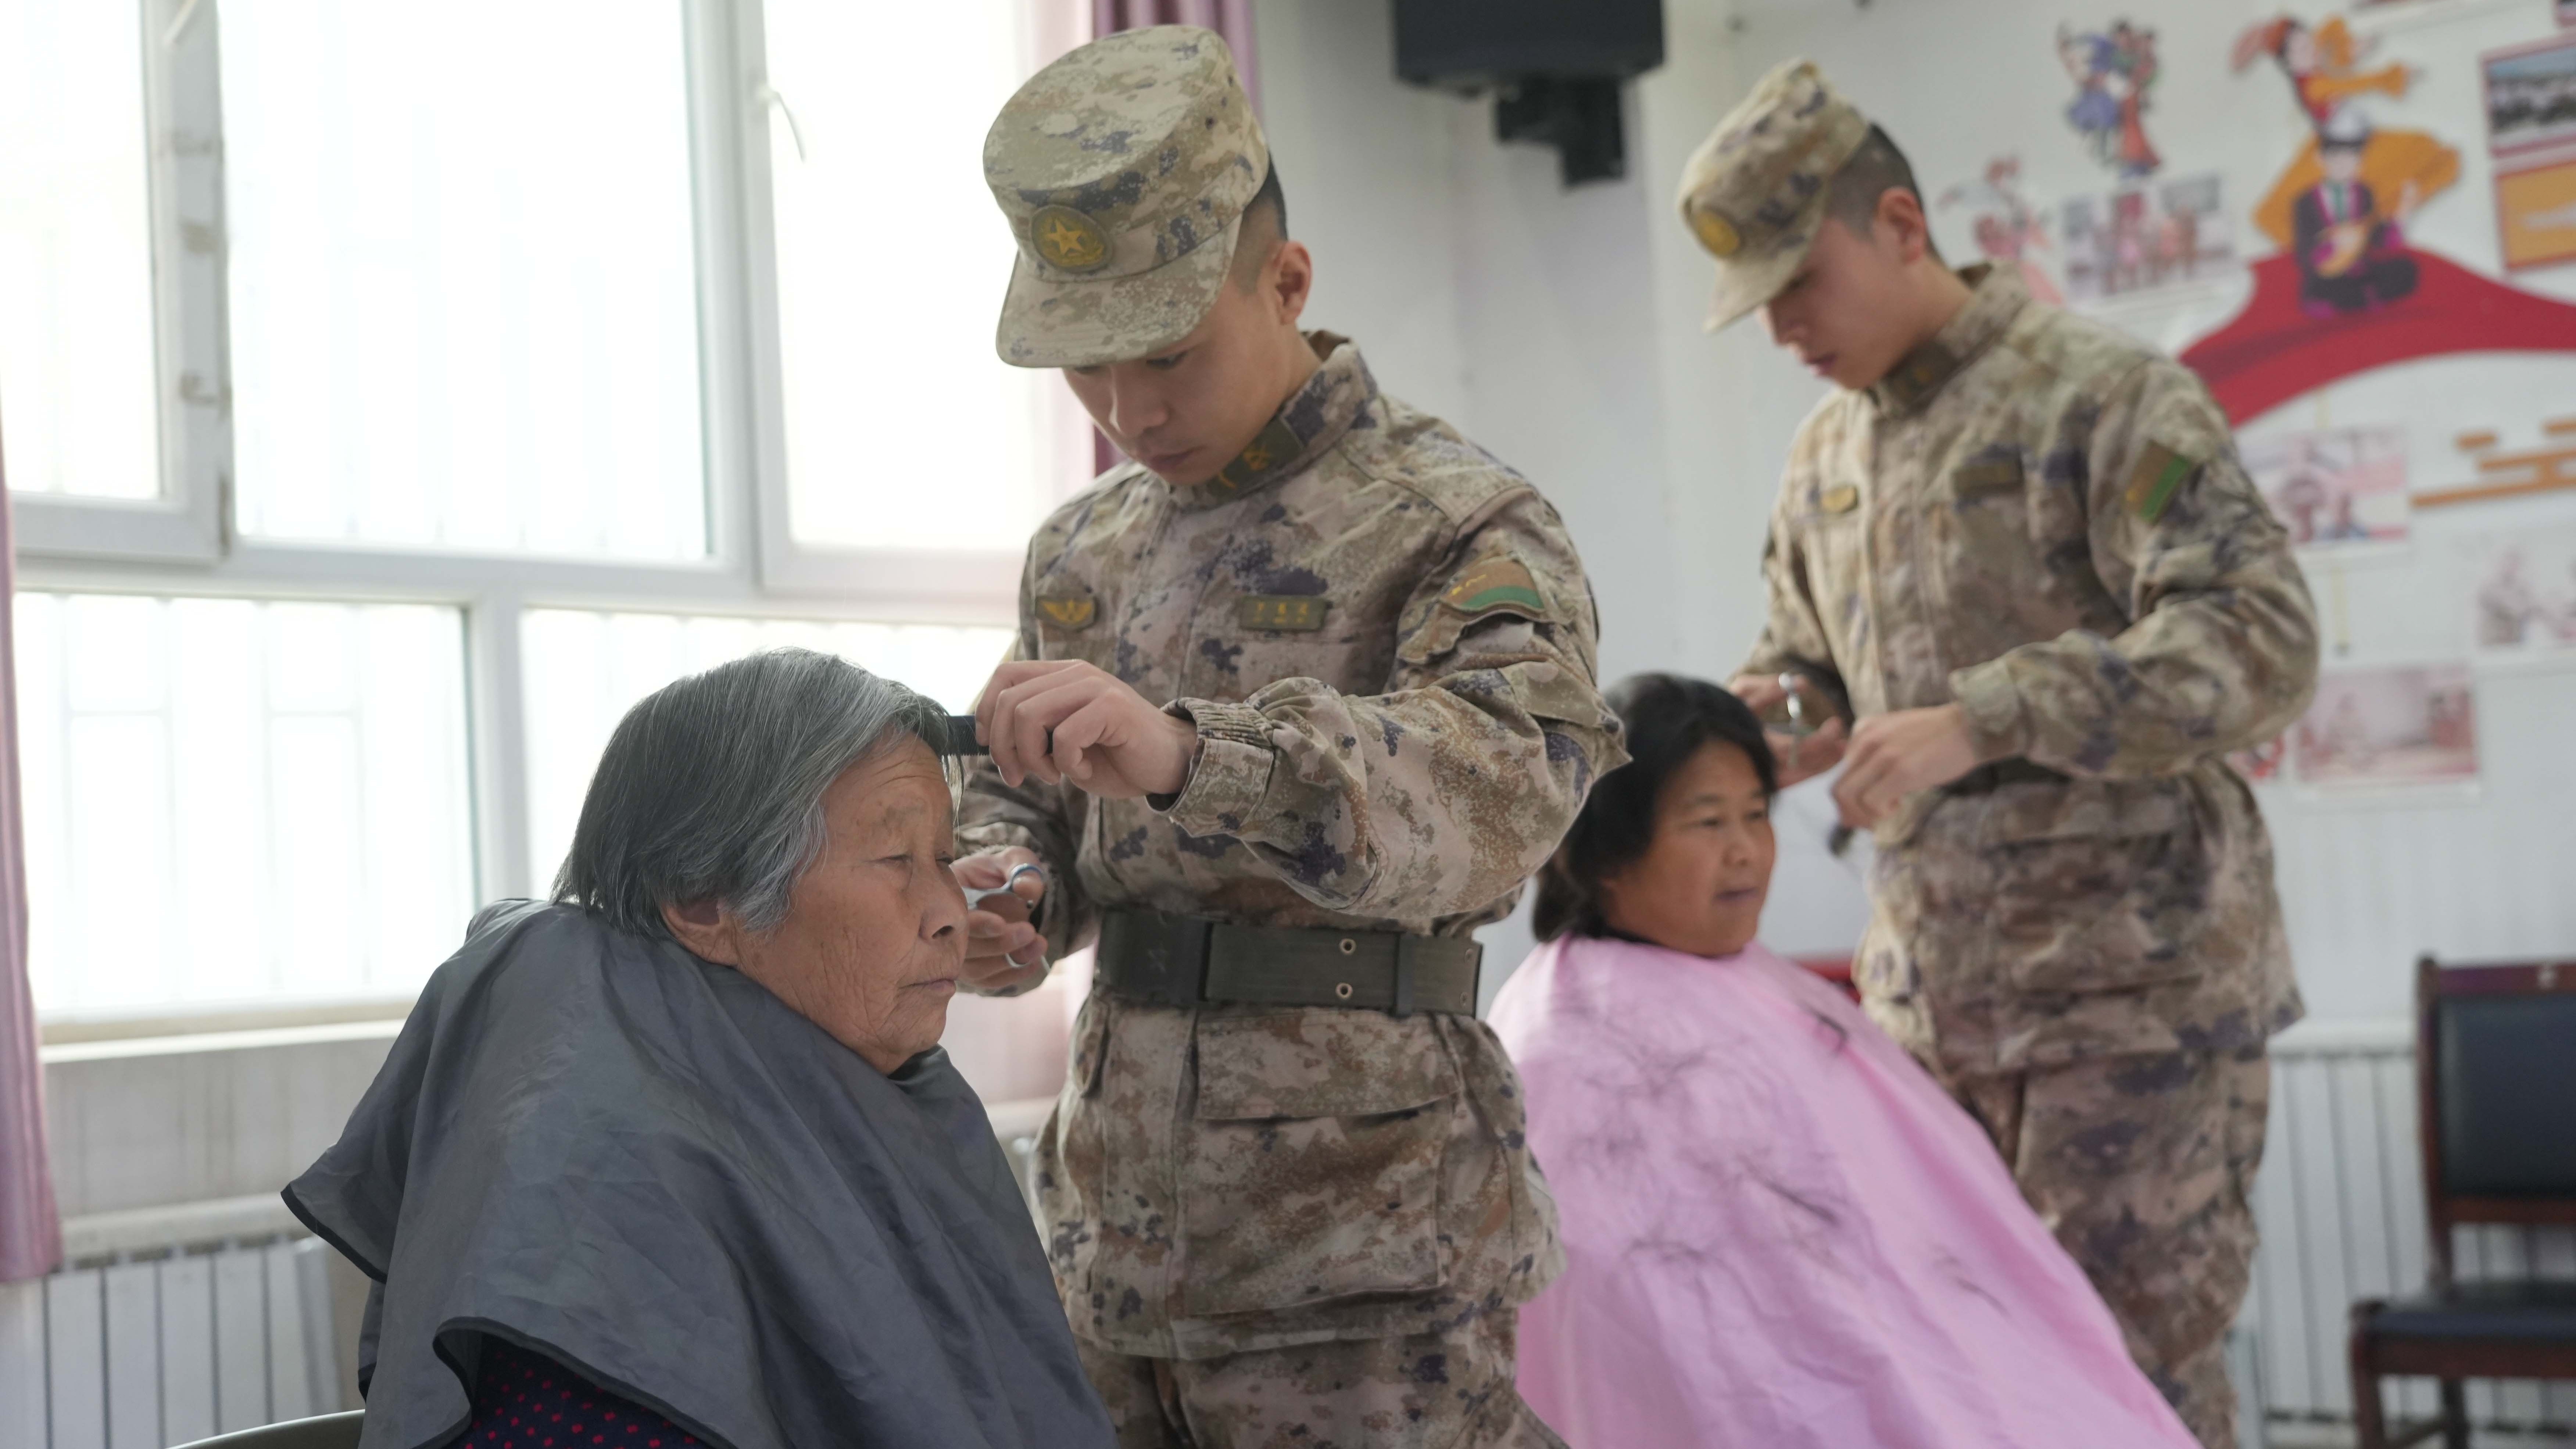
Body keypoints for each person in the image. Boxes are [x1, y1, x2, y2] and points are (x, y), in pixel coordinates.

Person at [945, 26, 1626, 1448]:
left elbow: (1501, 789)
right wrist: (1005, 886)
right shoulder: (1079, 550)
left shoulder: (1455, 520)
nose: (1129, 411)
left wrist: (1199, 758)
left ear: (1288, 281)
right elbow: (1036, 809)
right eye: (1085, 369)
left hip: (1361, 1253)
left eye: (1168, 354)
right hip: (1116, 1239)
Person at [1678, 60, 2321, 1448]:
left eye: (1802, 280)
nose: (1783, 326)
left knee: (2132, 1386)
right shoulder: (1823, 459)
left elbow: (2258, 637)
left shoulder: (2101, 397)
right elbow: (1811, 668)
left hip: (2128, 1011)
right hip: (1936, 1015)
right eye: (1760, 302)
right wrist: (1754, 729)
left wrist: (1988, 715)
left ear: (1900, 224)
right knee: (1966, 1388)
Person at [284, 650, 1115, 1449]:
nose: (952, 914)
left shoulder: (813, 1073)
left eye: (946, 858)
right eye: (896, 857)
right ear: (703, 901)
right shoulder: (614, 1186)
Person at [1491, 673, 2201, 1449]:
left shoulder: (1769, 992)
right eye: (1707, 822)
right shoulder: (1564, 1039)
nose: (1745, 852)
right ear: (1605, 854)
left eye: (1756, 815)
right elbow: (1649, 1314)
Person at [2291, 111, 2419, 316]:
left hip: (2360, 271)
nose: (2343, 164)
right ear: (2320, 159)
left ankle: (2356, 298)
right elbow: (2304, 253)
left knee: (2406, 269)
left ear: (2360, 162)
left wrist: (2404, 211)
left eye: (2351, 157)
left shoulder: (2364, 193)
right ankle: (2358, 299)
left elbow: (2378, 237)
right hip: (2328, 276)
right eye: (2336, 157)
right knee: (2320, 288)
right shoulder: (2305, 201)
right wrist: (2333, 246)